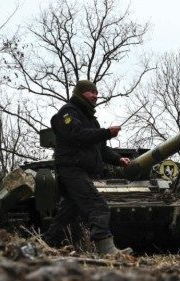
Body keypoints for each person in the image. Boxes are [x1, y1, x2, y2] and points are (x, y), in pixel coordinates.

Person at [43, 80, 132, 255]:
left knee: (66, 216)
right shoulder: (67, 113)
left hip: (82, 171)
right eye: (91, 92)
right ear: (80, 93)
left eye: (96, 93)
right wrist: (106, 132)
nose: (95, 96)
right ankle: (106, 249)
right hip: (71, 169)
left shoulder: (91, 120)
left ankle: (39, 248)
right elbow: (78, 134)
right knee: (98, 206)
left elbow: (101, 149)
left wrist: (119, 159)